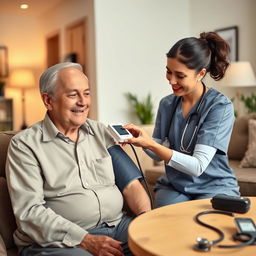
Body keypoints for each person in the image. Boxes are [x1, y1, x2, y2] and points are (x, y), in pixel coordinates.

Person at [6, 62, 151, 256]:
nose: (83, 102)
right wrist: (86, 240)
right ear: (48, 100)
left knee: (160, 244)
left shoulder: (101, 132)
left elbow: (131, 185)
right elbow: (30, 212)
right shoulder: (24, 145)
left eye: (87, 93)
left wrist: (145, 220)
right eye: (73, 95)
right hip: (58, 242)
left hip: (118, 228)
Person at [123, 32, 240, 207]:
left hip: (213, 186)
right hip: (175, 185)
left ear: (200, 73)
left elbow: (198, 166)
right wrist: (139, 140)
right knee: (163, 225)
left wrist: (151, 144)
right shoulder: (167, 104)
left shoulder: (219, 107)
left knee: (205, 226)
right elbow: (157, 150)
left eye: (180, 75)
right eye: (168, 72)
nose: (171, 80)